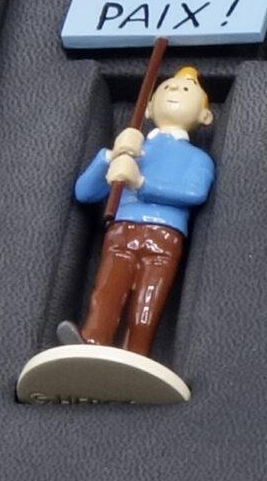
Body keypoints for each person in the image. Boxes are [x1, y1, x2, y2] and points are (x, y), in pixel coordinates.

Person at [64, 65, 215, 356]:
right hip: (121, 229)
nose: (175, 89)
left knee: (148, 300)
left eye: (186, 90)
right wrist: (110, 157)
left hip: (164, 234)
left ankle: (136, 353)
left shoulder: (197, 158)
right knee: (107, 291)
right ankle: (93, 340)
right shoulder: (133, 149)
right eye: (167, 87)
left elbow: (194, 193)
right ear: (147, 108)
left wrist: (142, 183)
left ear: (205, 116)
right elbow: (85, 193)